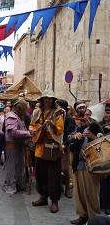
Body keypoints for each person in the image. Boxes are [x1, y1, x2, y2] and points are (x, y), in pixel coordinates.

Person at [29, 83, 64, 213]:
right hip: (39, 148)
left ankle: (54, 201)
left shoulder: (58, 113)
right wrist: (33, 131)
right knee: (41, 175)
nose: (47, 100)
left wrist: (52, 126)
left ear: (53, 100)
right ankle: (43, 197)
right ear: (42, 100)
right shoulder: (38, 112)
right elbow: (32, 125)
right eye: (45, 98)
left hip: (52, 149)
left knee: (54, 176)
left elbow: (60, 131)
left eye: (50, 98)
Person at [68, 121, 103, 224]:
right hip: (78, 164)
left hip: (91, 165)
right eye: (84, 115)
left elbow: (103, 144)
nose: (86, 118)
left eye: (88, 115)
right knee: (79, 192)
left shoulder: (99, 128)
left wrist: (92, 136)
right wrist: (75, 136)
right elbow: (68, 138)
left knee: (91, 192)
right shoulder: (81, 129)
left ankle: (94, 217)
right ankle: (82, 215)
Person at [2, 99, 32, 194]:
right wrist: (27, 133)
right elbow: (13, 131)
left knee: (19, 166)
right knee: (11, 166)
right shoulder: (11, 116)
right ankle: (9, 185)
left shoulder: (19, 117)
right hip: (12, 145)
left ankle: (18, 184)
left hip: (19, 145)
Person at [56, 99, 75, 199]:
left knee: (65, 168)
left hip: (64, 145)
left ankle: (67, 187)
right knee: (56, 168)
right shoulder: (55, 117)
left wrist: (64, 144)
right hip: (55, 145)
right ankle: (58, 187)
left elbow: (70, 134)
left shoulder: (69, 119)